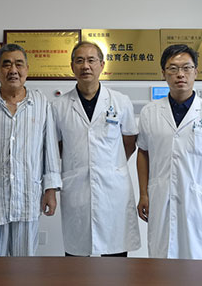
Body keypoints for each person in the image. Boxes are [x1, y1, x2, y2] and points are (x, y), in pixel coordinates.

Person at [136, 44, 202, 259]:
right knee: (161, 259)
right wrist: (144, 194)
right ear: (163, 73)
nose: (180, 74)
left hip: (198, 203)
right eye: (172, 68)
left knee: (197, 263)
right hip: (160, 199)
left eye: (186, 68)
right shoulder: (149, 112)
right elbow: (143, 153)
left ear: (196, 72)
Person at [0, 43, 62, 256]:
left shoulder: (41, 104)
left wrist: (50, 190)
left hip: (28, 197)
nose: (13, 70)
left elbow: (50, 151)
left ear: (27, 70)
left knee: (24, 266)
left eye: (19, 64)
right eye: (6, 65)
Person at [53, 41, 140, 257]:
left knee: (115, 256)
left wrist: (108, 164)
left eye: (91, 60)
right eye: (79, 61)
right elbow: (57, 146)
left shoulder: (120, 102)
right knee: (77, 257)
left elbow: (129, 141)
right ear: (72, 66)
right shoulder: (59, 106)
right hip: (76, 187)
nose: (86, 66)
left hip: (113, 188)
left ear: (102, 65)